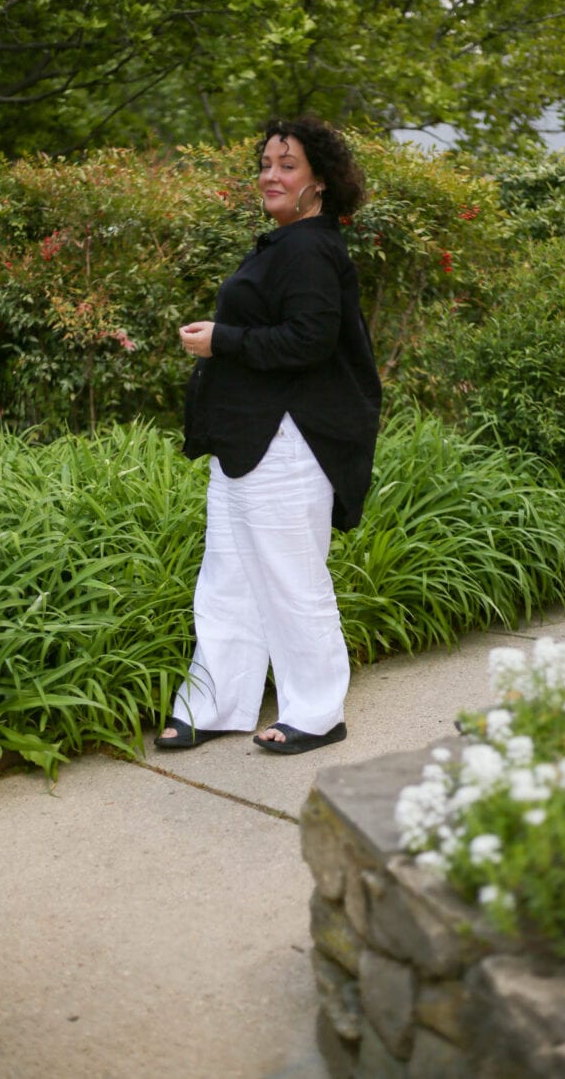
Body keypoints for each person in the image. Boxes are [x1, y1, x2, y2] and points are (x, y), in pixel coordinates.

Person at [154, 114, 381, 755]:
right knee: (226, 576)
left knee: (290, 577)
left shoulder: (311, 247)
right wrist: (224, 340)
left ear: (319, 183)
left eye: (288, 165)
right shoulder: (286, 243)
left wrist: (220, 340)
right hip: (249, 440)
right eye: (266, 164)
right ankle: (216, 703)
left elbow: (311, 341)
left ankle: (317, 711)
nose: (271, 176)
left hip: (289, 443)